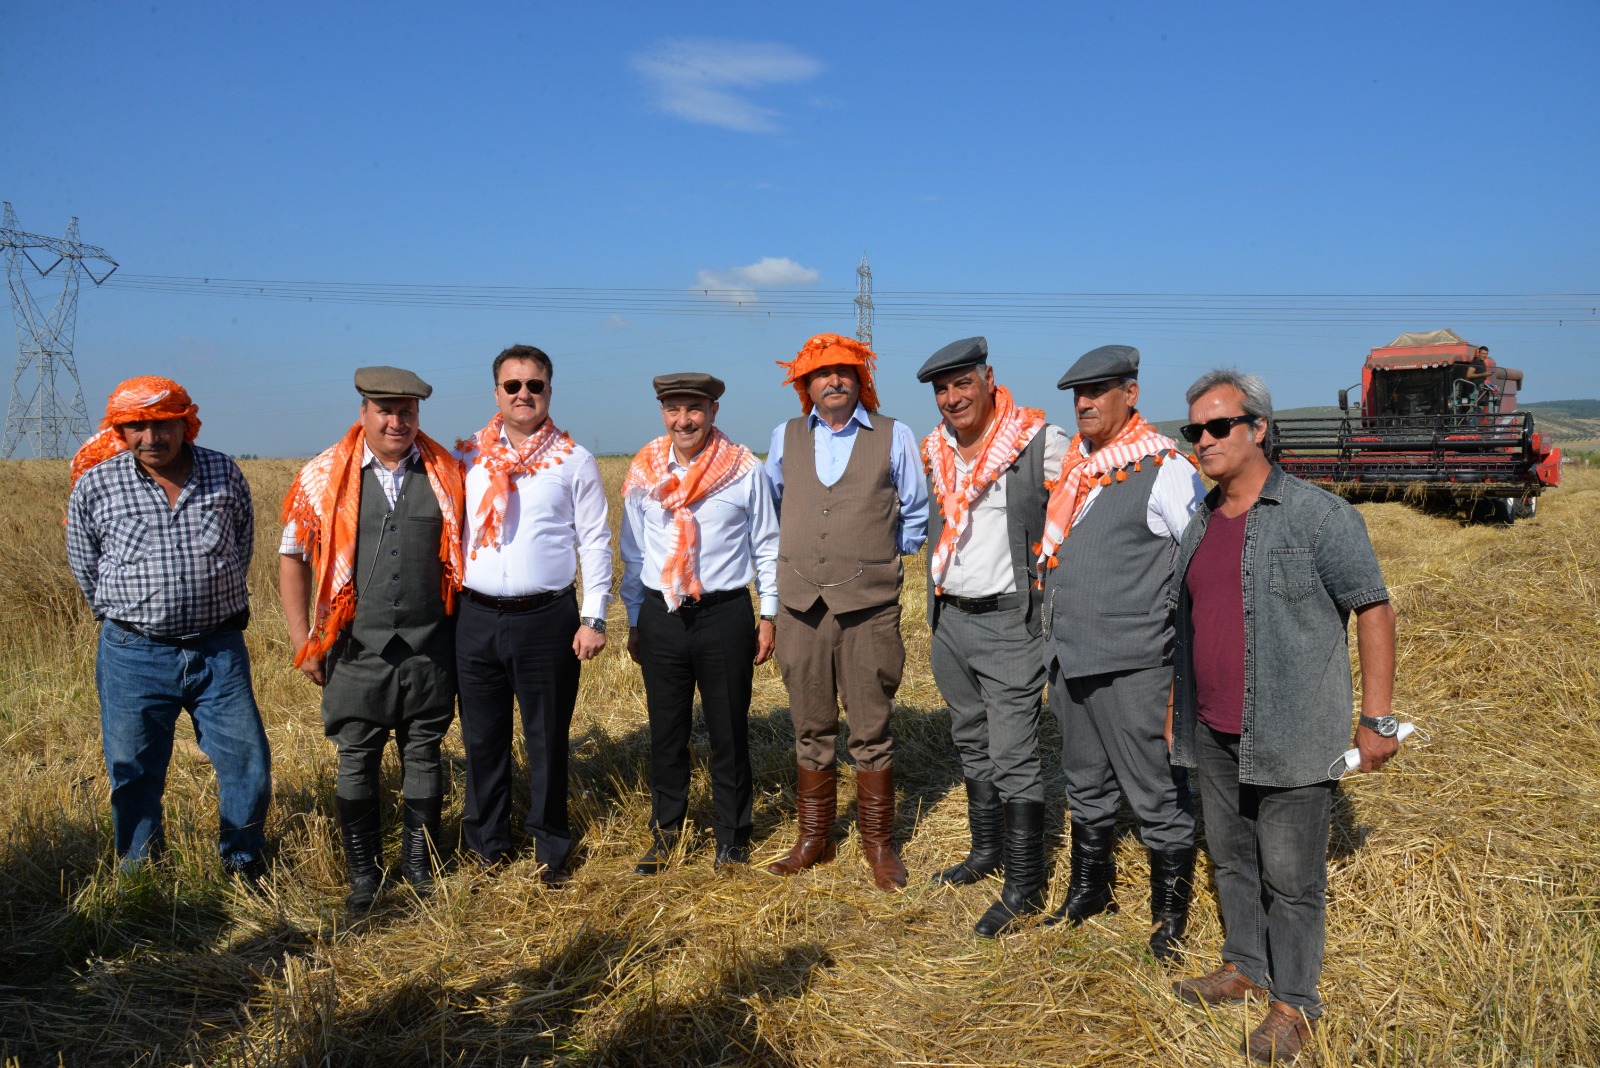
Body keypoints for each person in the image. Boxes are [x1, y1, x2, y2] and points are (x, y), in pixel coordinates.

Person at [1168, 368, 1399, 1064]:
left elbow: (1375, 608)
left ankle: (1295, 1004)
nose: (1202, 441)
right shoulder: (1200, 520)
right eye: (1193, 431)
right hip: (1212, 728)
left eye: (1217, 427)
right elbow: (1191, 621)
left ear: (1258, 428)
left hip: (1294, 732)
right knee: (1231, 857)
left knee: (1293, 879)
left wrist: (1377, 719)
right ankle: (1245, 965)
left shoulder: (1319, 516)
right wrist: (1178, 706)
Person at [1036, 344, 1206, 960]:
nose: (1084, 402)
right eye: (1077, 394)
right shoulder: (1077, 470)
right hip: (1071, 657)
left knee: (1156, 790)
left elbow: (1197, 568)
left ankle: (1169, 919)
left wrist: (1182, 675)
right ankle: (1091, 889)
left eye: (1098, 391)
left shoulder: (1163, 468)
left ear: (1129, 394)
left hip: (1136, 662)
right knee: (1085, 783)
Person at [66, 376, 272, 882]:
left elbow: (239, 547)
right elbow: (85, 563)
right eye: (135, 426)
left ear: (185, 422)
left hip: (217, 650)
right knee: (133, 771)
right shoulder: (98, 484)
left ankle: (242, 864)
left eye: (162, 424)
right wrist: (132, 614)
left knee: (248, 764)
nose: (150, 437)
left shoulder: (223, 472)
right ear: (120, 430)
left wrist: (206, 600)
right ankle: (142, 877)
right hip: (133, 653)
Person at [279, 366, 465, 911]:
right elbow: (292, 556)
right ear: (363, 412)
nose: (396, 421)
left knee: (425, 753)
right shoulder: (322, 476)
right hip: (355, 651)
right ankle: (364, 873)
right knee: (356, 757)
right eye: (385, 410)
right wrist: (303, 639)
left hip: (429, 650)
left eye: (406, 411)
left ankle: (418, 866)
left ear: (417, 415)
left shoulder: (448, 474)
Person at [763, 332, 928, 890]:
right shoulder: (784, 438)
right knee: (810, 725)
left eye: (845, 371)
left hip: (870, 606)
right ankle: (816, 840)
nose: (834, 380)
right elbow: (778, 505)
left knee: (872, 728)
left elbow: (915, 511)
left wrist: (878, 558)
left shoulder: (894, 435)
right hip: (800, 605)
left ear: (862, 381)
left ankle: (878, 844)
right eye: (821, 373)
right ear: (804, 386)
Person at [915, 337, 1068, 935]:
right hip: (949, 619)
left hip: (1010, 622)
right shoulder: (936, 450)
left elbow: (1086, 497)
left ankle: (1025, 886)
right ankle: (986, 852)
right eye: (942, 389)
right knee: (971, 739)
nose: (953, 398)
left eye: (963, 384)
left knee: (1014, 754)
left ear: (989, 379)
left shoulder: (1035, 443)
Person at [454, 344, 611, 886]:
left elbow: (594, 542)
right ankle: (487, 847)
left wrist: (593, 618)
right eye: (512, 385)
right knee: (482, 737)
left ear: (549, 390)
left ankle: (551, 850)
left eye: (534, 385)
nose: (524, 394)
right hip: (474, 617)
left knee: (546, 737)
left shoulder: (574, 460)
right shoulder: (465, 457)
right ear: (495, 392)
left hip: (547, 617)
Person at [620, 372, 779, 872]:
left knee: (729, 730)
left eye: (694, 409)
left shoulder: (744, 470)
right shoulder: (645, 471)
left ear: (713, 412)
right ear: (662, 412)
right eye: (673, 409)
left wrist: (769, 612)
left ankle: (732, 837)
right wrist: (634, 617)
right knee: (666, 732)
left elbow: (767, 545)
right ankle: (667, 834)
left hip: (723, 614)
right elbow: (632, 549)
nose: (683, 420)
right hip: (661, 615)